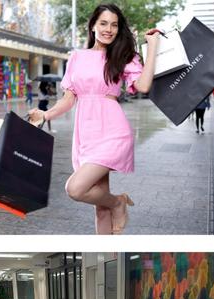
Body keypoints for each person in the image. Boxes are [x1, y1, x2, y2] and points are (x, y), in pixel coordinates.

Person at [28, 4, 162, 234]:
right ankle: (107, 253)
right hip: (87, 134)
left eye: (114, 25)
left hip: (113, 130)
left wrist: (153, 49)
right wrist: (46, 114)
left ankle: (118, 202)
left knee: (75, 188)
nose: (109, 29)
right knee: (100, 207)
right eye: (103, 23)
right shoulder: (77, 57)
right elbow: (69, 99)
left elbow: (143, 85)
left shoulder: (123, 56)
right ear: (92, 26)